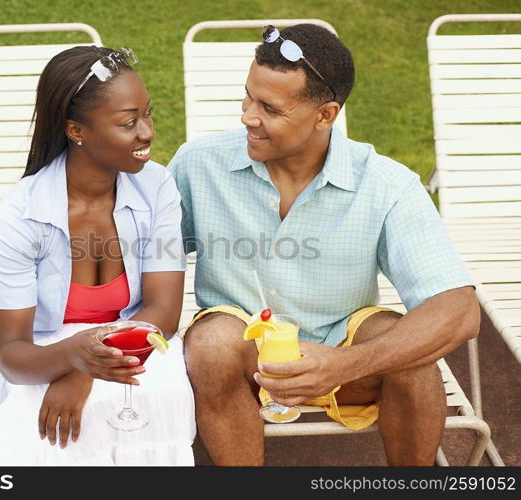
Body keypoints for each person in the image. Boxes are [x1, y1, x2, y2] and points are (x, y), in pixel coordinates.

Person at [166, 24, 479, 466]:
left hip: (347, 360)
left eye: (270, 108)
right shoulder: (197, 164)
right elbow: (141, 261)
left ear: (325, 115)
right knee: (212, 341)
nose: (247, 117)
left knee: (406, 345)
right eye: (248, 97)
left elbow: (459, 309)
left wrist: (342, 364)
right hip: (240, 366)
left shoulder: (386, 184)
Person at [0, 46, 195, 466]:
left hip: (130, 340)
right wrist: (71, 359)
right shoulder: (21, 216)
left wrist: (85, 367)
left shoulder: (158, 189)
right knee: (45, 424)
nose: (147, 132)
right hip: (44, 351)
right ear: (76, 130)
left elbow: (164, 313)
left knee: (160, 394)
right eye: (128, 122)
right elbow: (13, 354)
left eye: (147, 115)